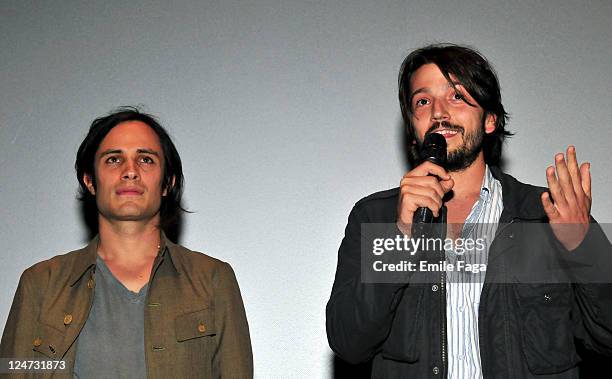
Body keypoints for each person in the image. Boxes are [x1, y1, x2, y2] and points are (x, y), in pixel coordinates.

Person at [326, 44, 612, 378]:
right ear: (413, 127)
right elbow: (349, 343)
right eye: (422, 101)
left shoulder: (547, 215)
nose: (438, 112)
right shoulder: (375, 218)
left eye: (457, 97)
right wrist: (400, 236)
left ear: (490, 119)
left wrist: (584, 247)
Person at [0, 108, 253, 378]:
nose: (130, 171)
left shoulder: (212, 279)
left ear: (168, 182)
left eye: (145, 159)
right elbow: (13, 370)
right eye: (113, 159)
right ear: (90, 180)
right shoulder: (41, 284)